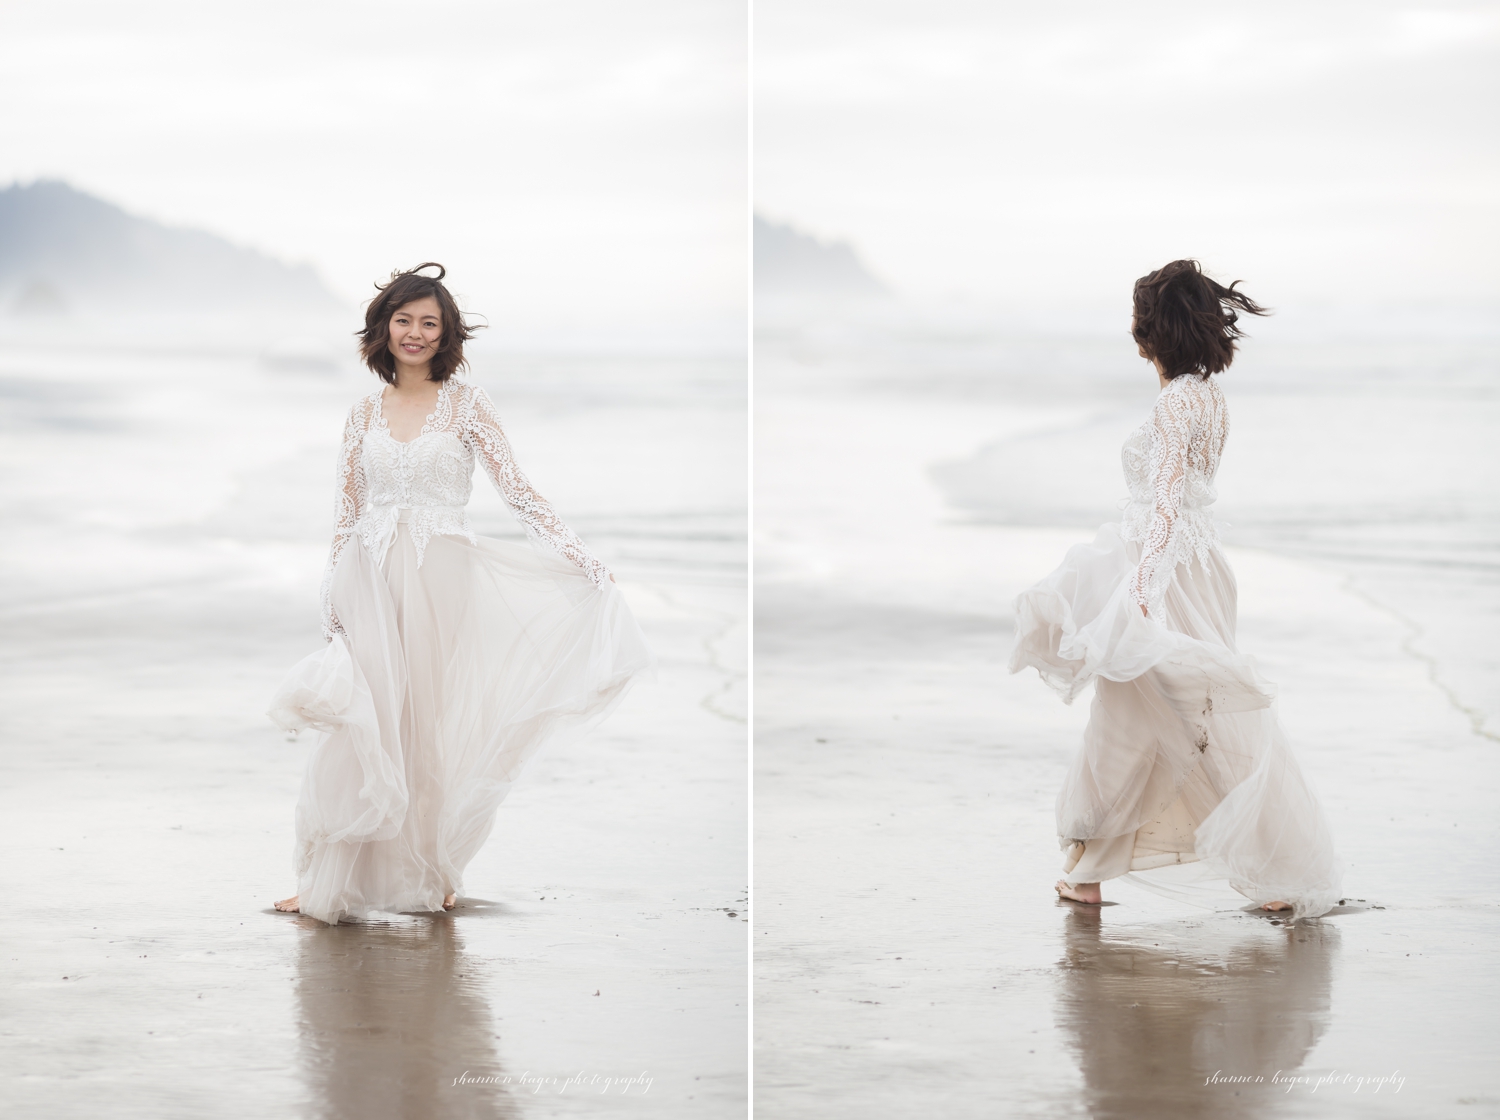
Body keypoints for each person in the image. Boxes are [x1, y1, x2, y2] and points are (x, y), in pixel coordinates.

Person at [268, 263, 653, 924]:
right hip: (370, 576)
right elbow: (347, 512)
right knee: (363, 723)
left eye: (429, 323)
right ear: (383, 328)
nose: (414, 333)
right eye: (403, 320)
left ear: (445, 334)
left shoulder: (467, 405)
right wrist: (331, 595)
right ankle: (326, 881)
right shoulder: (362, 413)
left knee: (426, 729)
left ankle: (433, 872)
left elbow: (520, 492)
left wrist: (578, 557)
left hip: (442, 576)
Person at [1009, 259, 1342, 921]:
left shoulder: (1174, 402)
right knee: (1174, 720)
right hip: (1200, 566)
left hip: (1163, 572)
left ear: (1150, 332)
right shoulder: (1209, 397)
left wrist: (1139, 586)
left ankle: (1258, 866)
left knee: (1159, 720)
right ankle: (1098, 871)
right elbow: (1184, 499)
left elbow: (1163, 505)